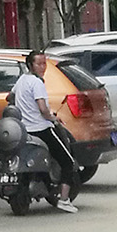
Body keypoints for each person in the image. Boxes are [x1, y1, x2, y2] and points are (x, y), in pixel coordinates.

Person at [11, 51, 78, 213]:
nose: (43, 67)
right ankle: (64, 199)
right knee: (68, 162)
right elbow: (43, 109)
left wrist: (23, 107)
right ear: (30, 65)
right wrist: (53, 118)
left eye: (44, 63)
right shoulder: (37, 83)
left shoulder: (22, 80)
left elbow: (9, 97)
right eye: (39, 64)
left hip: (24, 131)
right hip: (42, 130)